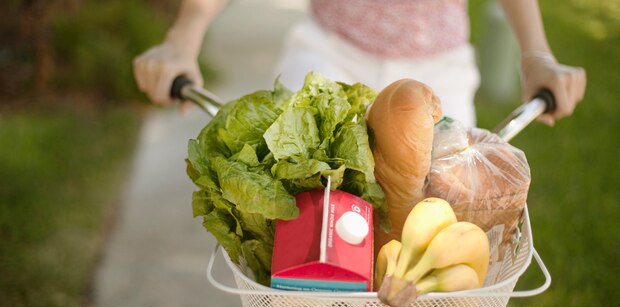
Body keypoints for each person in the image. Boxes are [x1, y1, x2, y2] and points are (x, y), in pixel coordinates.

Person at [133, 0, 586, 127]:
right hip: (329, 54)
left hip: (437, 68)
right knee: (292, 209)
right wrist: (182, 39)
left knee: (440, 219)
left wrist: (537, 56)